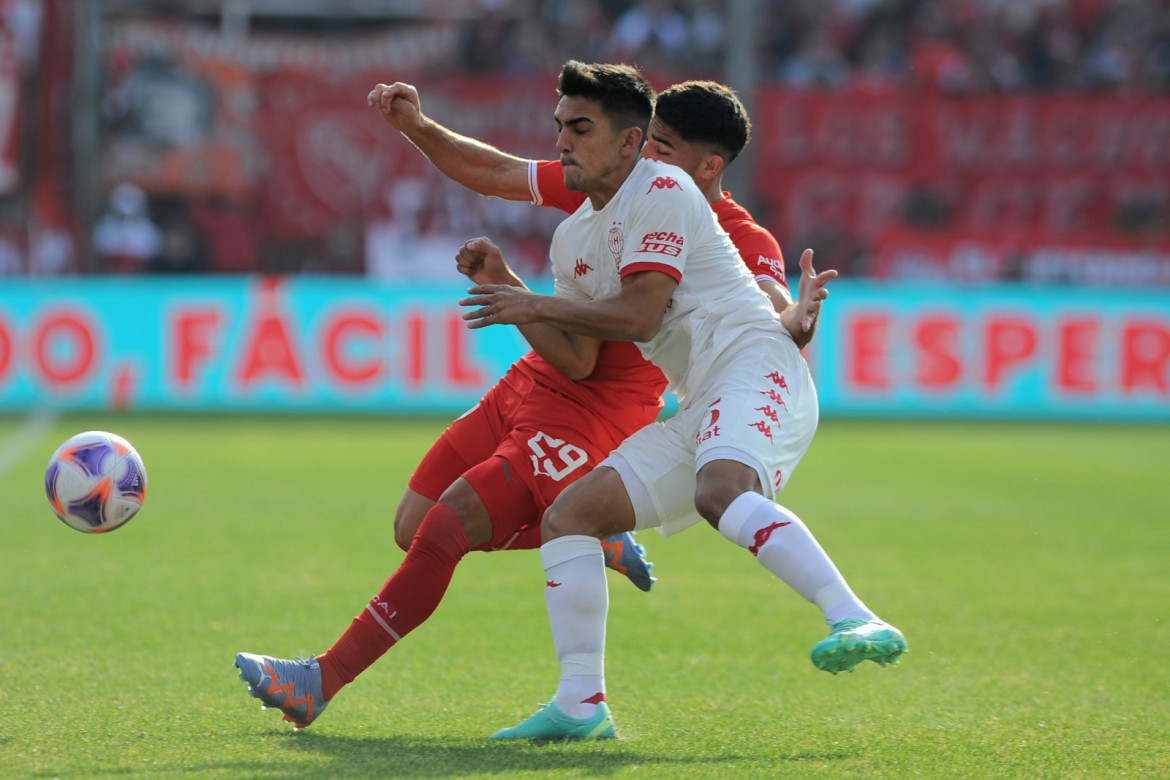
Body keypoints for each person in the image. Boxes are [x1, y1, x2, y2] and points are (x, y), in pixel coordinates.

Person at [449, 61, 906, 741]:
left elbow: (652, 316)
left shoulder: (666, 192)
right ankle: (581, 705)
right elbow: (578, 356)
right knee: (573, 517)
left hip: (754, 362)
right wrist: (511, 291)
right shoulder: (575, 237)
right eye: (561, 129)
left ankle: (853, 615)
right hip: (700, 398)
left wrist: (801, 320)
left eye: (581, 129)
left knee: (719, 490)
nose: (565, 144)